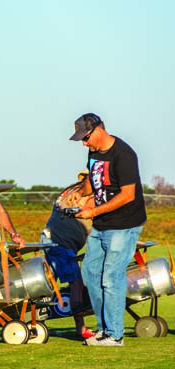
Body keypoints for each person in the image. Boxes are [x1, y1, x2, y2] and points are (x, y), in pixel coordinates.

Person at [69, 113, 146, 347]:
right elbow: (93, 179)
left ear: (98, 130)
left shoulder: (124, 154)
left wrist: (92, 212)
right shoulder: (93, 153)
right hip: (101, 225)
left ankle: (115, 335)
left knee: (111, 278)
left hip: (123, 225)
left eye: (85, 138)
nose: (83, 143)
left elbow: (128, 195)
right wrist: (80, 193)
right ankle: (103, 331)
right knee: (90, 274)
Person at [41, 171, 94, 338]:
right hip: (60, 243)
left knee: (48, 282)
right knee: (76, 283)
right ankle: (80, 328)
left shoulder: (72, 190)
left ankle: (36, 320)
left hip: (52, 239)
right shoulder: (78, 194)